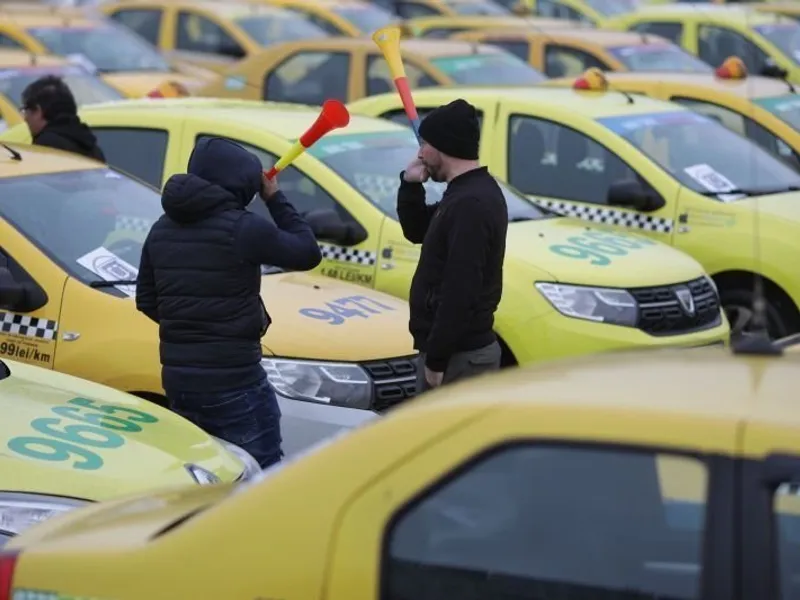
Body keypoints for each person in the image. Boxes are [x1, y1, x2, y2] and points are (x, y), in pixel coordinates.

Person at [135, 137, 322, 469]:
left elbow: (146, 299)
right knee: (257, 474)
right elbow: (307, 252)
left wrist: (188, 329)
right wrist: (275, 196)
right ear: (242, 184)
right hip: (235, 379)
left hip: (179, 381)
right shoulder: (243, 227)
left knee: (202, 475)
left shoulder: (160, 228)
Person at [398, 98, 508, 392]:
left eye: (425, 144)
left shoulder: (471, 203)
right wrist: (410, 184)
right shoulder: (463, 194)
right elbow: (418, 230)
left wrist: (436, 360)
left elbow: (461, 289)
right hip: (456, 356)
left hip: (461, 359)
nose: (420, 153)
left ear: (443, 146)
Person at [20, 75, 105, 162]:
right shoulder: (93, 148)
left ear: (38, 111)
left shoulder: (46, 146)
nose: (25, 118)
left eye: (26, 110)